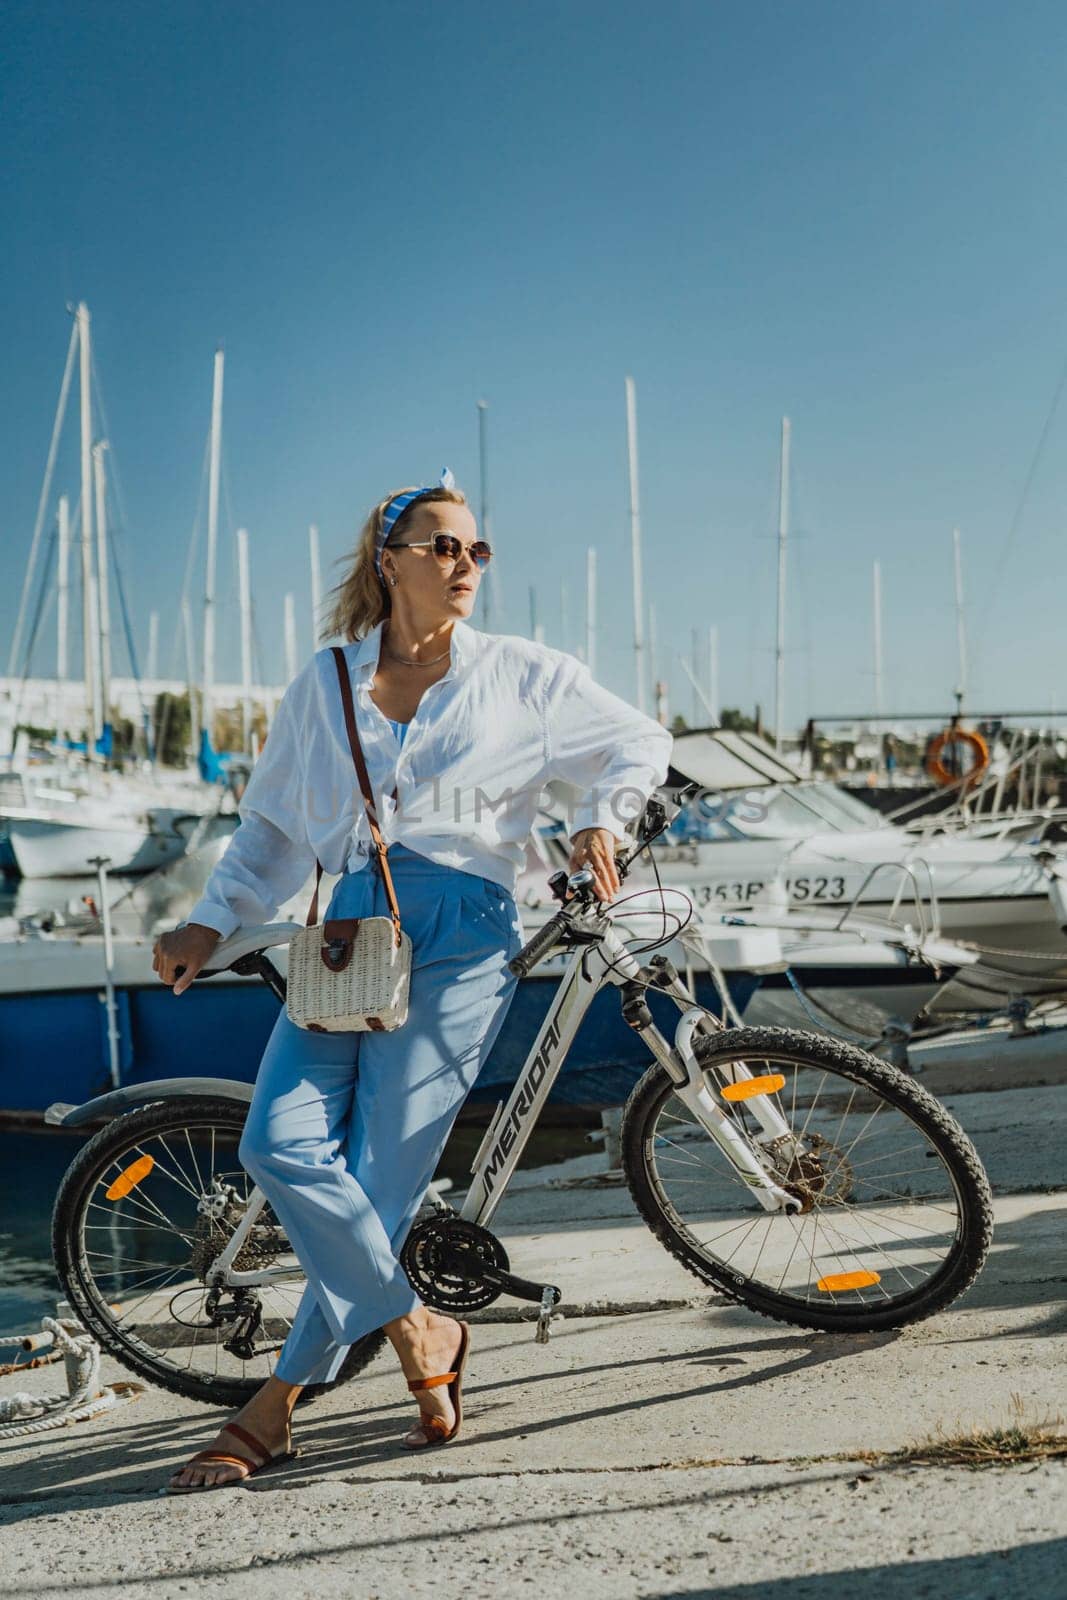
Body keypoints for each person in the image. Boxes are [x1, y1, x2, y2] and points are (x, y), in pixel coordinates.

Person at [154, 477, 672, 1490]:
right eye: (440, 547)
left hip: (462, 927)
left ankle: (273, 1407)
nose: (463, 566)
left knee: (381, 1180)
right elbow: (269, 823)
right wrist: (209, 915)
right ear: (387, 558)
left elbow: (636, 741)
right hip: (349, 925)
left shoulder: (522, 673)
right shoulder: (327, 678)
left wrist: (601, 814)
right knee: (279, 1141)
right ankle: (415, 1325)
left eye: (475, 550)